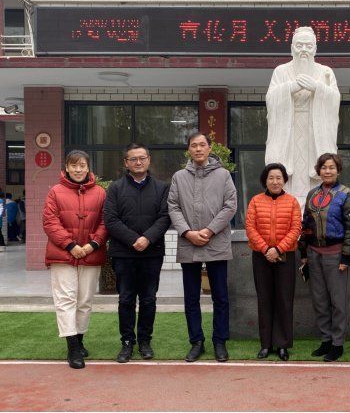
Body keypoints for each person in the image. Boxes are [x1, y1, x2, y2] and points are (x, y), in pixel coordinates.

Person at [168, 132, 237, 363]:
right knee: (191, 297)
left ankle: (220, 341)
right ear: (189, 149)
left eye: (202, 145)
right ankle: (196, 342)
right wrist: (188, 232)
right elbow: (173, 207)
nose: (198, 149)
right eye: (193, 145)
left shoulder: (224, 175)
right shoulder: (179, 177)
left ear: (209, 148)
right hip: (189, 244)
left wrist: (208, 231)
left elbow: (230, 206)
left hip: (215, 242)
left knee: (220, 296)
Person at [104, 143, 171, 363]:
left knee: (149, 300)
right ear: (126, 163)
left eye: (142, 158)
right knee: (126, 299)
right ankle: (126, 343)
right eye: (133, 159)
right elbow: (111, 220)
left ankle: (144, 341)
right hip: (124, 254)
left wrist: (147, 239)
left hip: (152, 253)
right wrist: (134, 240)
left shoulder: (162, 188)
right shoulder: (115, 188)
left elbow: (164, 217)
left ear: (149, 160)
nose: (138, 162)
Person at [42, 150, 108, 369]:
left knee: (84, 301)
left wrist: (93, 244)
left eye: (82, 165)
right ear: (67, 168)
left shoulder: (100, 192)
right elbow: (50, 222)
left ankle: (80, 340)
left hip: (91, 253)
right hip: (63, 255)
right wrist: (71, 245)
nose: (78, 169)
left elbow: (105, 222)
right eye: (74, 165)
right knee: (65, 300)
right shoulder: (55, 192)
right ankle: (72, 348)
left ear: (88, 168)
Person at [265, 26, 341, 208]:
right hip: (288, 129)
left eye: (308, 46)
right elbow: (271, 98)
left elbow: (335, 99)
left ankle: (316, 203)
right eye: (299, 45)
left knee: (315, 167)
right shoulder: (281, 71)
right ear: (292, 48)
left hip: (316, 130)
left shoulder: (325, 72)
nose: (304, 50)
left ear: (315, 48)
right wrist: (291, 87)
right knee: (289, 169)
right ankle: (290, 202)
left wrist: (317, 87)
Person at [299, 153, 350, 362]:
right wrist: (304, 253)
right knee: (319, 300)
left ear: (339, 170)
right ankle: (325, 340)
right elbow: (306, 225)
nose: (327, 171)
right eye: (324, 167)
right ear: (318, 171)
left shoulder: (347, 195)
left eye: (332, 167)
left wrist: (346, 257)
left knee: (338, 302)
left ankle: (337, 343)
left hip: (336, 255)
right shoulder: (311, 194)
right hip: (314, 254)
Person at [245, 163, 302, 361]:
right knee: (265, 299)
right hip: (261, 257)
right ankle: (266, 344)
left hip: (285, 256)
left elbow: (296, 229)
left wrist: (277, 249)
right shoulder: (255, 201)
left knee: (284, 301)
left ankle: (283, 344)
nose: (275, 181)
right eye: (271, 178)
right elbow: (250, 228)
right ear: (265, 180)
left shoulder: (292, 202)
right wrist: (266, 249)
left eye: (279, 178)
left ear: (284, 180)